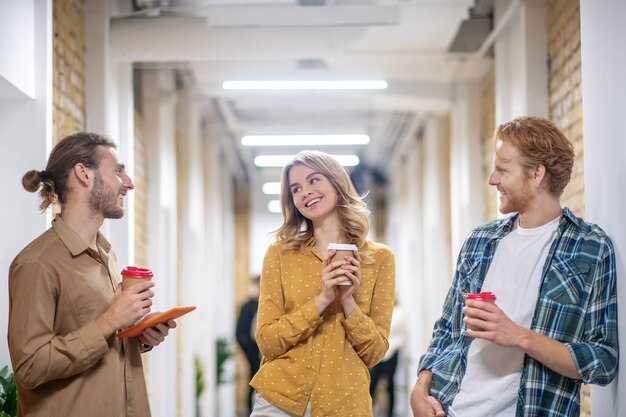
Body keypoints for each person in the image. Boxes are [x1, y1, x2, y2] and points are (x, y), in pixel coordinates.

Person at [409, 116, 618, 417]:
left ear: (536, 174)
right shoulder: (480, 241)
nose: (492, 179)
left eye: (503, 170)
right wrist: (420, 388)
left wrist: (519, 336)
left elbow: (603, 361)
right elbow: (446, 329)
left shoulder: (590, 248)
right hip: (449, 407)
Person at [7, 132, 177, 417]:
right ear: (83, 174)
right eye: (119, 171)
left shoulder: (105, 253)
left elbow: (102, 339)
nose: (129, 184)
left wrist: (138, 336)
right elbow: (30, 367)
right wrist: (110, 320)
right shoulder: (37, 263)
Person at [250, 150, 395, 417]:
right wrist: (322, 300)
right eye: (296, 188)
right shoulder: (281, 254)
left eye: (314, 180)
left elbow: (375, 352)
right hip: (278, 401)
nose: (305, 192)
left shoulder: (379, 258)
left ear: (336, 182)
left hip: (345, 405)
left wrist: (348, 301)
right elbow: (267, 342)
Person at [370, 300, 405, 417]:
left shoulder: (399, 312)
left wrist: (393, 348)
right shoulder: (379, 311)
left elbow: (399, 335)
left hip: (392, 352)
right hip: (379, 353)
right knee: (373, 382)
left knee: (390, 383)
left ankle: (391, 413)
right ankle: (369, 410)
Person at [235, 275, 261, 414]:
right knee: (252, 382)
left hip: (268, 353)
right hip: (252, 352)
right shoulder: (248, 306)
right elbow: (240, 333)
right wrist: (251, 352)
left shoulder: (273, 305)